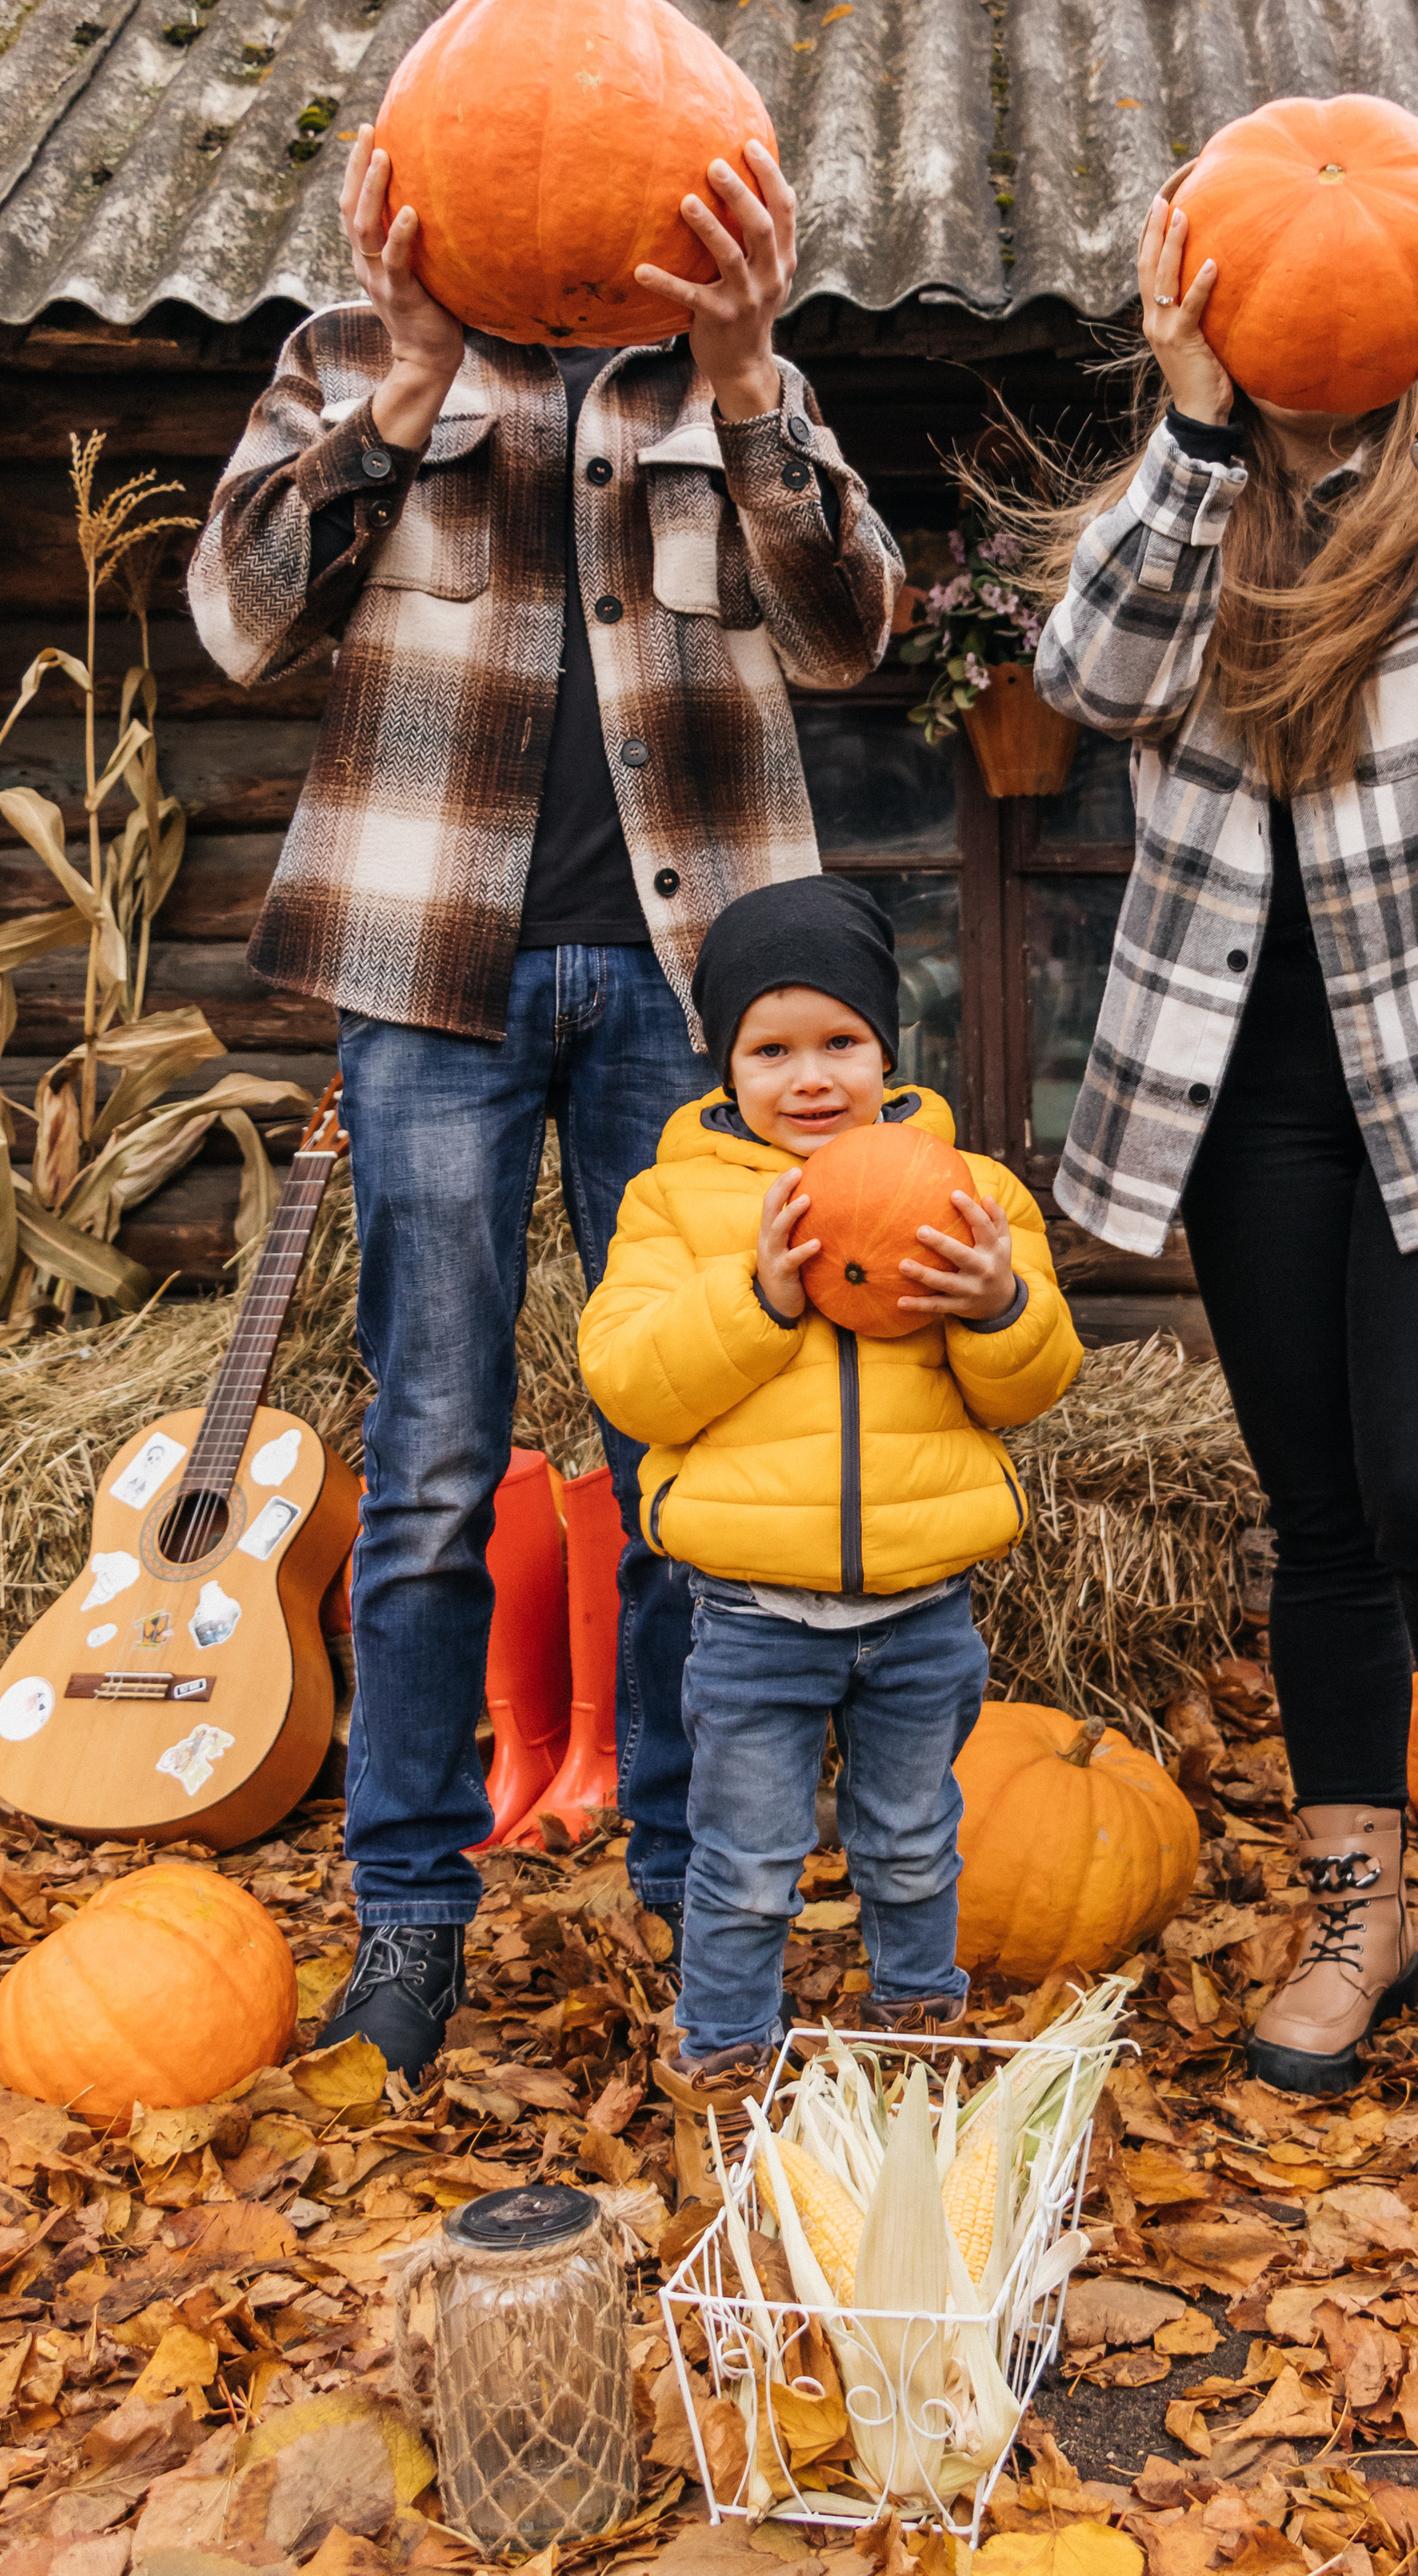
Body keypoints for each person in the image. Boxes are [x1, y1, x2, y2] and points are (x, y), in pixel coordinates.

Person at [188, 114, 899, 2076]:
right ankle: (410, 1916)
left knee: (679, 1466)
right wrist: (408, 385)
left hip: (694, 997)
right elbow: (241, 621)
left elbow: (848, 635)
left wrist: (752, 382)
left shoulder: (732, 376)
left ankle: (692, 1883)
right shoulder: (349, 358)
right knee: (428, 1467)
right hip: (435, 983)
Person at [1028, 166, 1418, 2109]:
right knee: (1316, 1519)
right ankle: (1352, 1906)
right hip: (1250, 1104)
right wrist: (1192, 426)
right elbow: (1082, 682)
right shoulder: (1179, 520)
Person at [578, 875, 1083, 2081]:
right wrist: (755, 1299)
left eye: (841, 1042)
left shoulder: (972, 1194)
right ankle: (730, 2051)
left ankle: (917, 2022)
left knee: (912, 1842)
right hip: (753, 1614)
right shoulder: (672, 1206)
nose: (810, 1078)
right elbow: (630, 1383)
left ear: (886, 1048)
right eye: (772, 1049)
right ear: (725, 1066)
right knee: (746, 1858)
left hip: (921, 1611)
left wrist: (999, 1306)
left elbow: (1032, 1383)